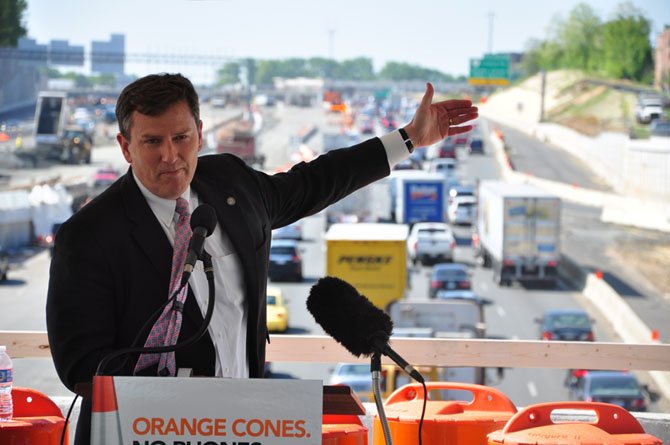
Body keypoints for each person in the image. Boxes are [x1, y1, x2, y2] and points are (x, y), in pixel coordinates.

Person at [46, 73, 478, 444]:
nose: (170, 156)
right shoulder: (88, 237)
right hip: (140, 431)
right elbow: (80, 363)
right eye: (152, 142)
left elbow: (316, 181)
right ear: (125, 146)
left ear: (200, 130)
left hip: (244, 424)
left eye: (181, 138)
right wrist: (184, 394)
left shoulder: (232, 184)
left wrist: (408, 139)